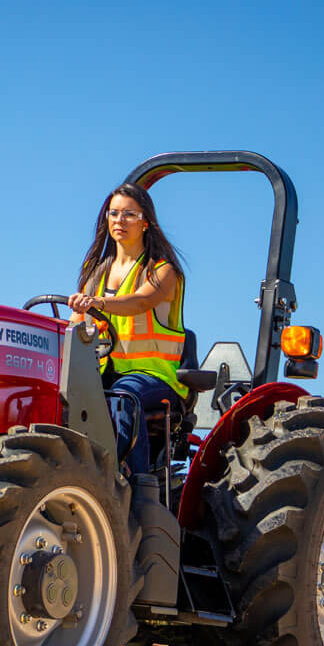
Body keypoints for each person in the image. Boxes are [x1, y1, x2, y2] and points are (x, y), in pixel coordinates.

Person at [67, 183, 187, 476]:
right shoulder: (95, 272)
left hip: (153, 376)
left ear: (146, 222)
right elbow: (78, 323)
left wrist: (97, 302)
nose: (119, 221)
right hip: (103, 372)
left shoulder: (162, 271)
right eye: (114, 213)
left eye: (129, 215)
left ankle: (137, 489)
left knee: (122, 399)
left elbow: (140, 301)